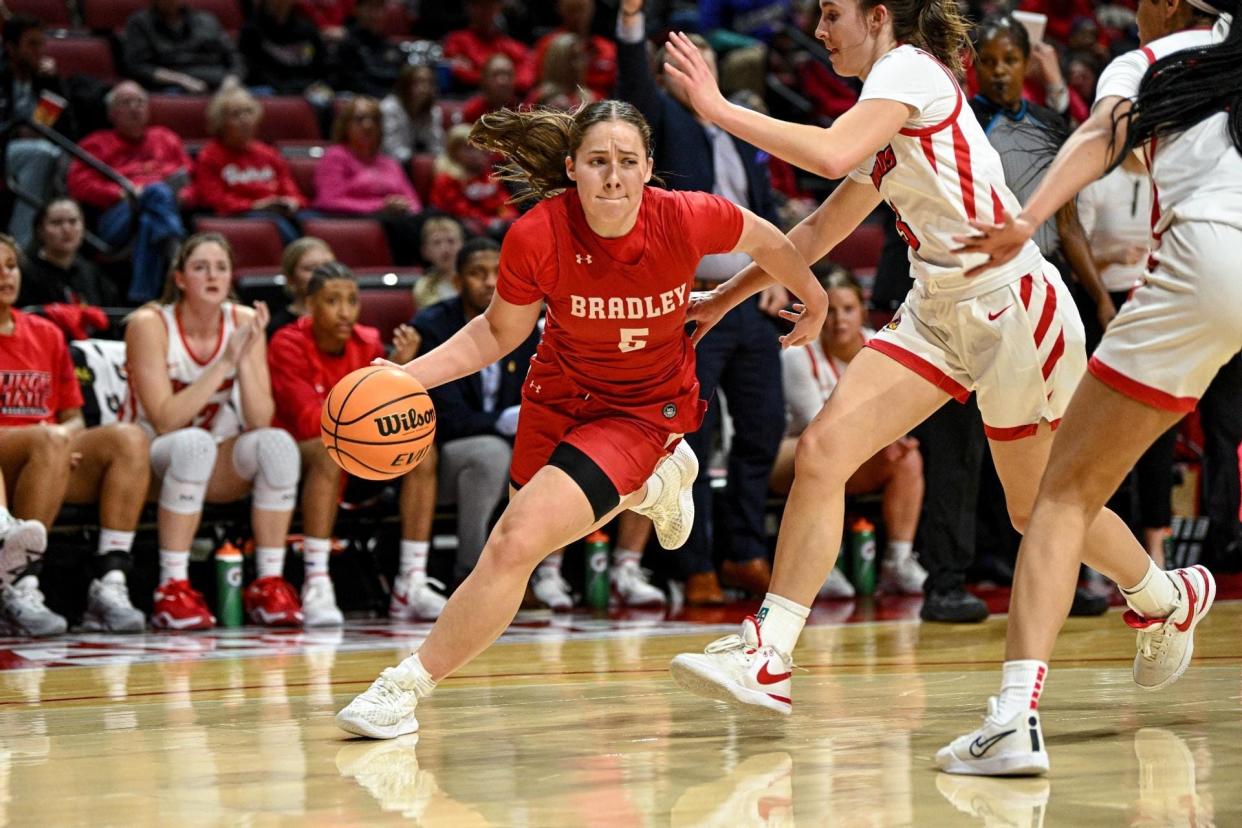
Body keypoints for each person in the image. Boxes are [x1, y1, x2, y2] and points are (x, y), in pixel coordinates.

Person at [661, 0, 1154, 721]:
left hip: (1012, 302)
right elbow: (823, 224)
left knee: (1035, 509)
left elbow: (826, 155)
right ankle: (769, 653)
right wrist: (725, 297)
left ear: (879, 16)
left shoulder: (910, 72)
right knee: (826, 450)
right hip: (938, 305)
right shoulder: (882, 104)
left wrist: (715, 107)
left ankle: (1164, 596)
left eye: (833, 14)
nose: (821, 31)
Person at [335, 99, 826, 739]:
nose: (613, 176)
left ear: (650, 169)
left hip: (642, 410)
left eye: (627, 162)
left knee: (513, 541)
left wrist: (810, 298)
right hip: (559, 391)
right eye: (598, 162)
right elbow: (494, 334)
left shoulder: (686, 216)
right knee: (528, 546)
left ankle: (400, 689)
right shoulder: (537, 234)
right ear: (572, 168)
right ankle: (654, 486)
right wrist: (406, 378)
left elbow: (770, 239)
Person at [939, 0, 1237, 775]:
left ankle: (1011, 720)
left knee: (1056, 495)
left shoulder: (1148, 61)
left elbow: (1100, 134)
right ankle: (1164, 596)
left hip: (1209, 259)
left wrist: (1026, 214)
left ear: (1172, 4)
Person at [617, 2, 788, 606]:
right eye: (682, 63)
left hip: (751, 297)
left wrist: (779, 275)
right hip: (691, 303)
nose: (695, 71)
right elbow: (633, 89)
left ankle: (744, 550)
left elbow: (765, 213)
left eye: (704, 61)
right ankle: (694, 564)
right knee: (695, 436)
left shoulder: (741, 132)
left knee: (764, 428)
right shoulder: (661, 121)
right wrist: (633, 25)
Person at [125, 233, 305, 629]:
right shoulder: (149, 323)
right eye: (200, 267)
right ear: (180, 279)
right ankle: (171, 587)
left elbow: (260, 419)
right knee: (192, 443)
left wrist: (243, 357)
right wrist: (224, 362)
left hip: (205, 459)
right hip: (143, 462)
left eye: (221, 268)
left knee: (278, 445)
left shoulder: (242, 321)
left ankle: (268, 582)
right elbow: (166, 420)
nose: (213, 275)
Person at [0, 233, 151, 634]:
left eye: (11, 266)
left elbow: (74, 419)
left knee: (129, 439)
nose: (5, 275)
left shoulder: (46, 334)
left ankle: (110, 579)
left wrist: (57, 441)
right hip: (7, 460)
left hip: (50, 457)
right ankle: (19, 586)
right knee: (49, 439)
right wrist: (46, 439)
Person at [268, 260, 429, 625]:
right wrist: (369, 399)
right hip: (299, 450)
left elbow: (383, 410)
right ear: (310, 305)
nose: (345, 312)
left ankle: (411, 581)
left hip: (355, 445)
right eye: (332, 301)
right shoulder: (286, 343)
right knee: (329, 451)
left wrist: (398, 370)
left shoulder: (368, 340)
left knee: (423, 452)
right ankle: (317, 580)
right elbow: (310, 420)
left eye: (352, 301)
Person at [773, 266, 925, 596]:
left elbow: (903, 414)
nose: (839, 320)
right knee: (827, 452)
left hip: (859, 449)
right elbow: (816, 424)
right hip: (794, 450)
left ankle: (898, 561)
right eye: (831, 311)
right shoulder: (798, 353)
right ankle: (817, 566)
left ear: (863, 312)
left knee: (908, 456)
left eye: (848, 310)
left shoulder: (883, 346)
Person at [410, 238, 540, 589]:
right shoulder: (433, 327)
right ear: (457, 281)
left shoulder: (525, 322)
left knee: (557, 449)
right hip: (444, 455)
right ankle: (473, 576)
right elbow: (446, 417)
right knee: (490, 453)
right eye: (476, 273)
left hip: (504, 447)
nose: (488, 282)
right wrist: (501, 421)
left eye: (497, 272)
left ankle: (544, 573)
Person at [1077, 152, 1176, 565]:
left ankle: (1156, 548)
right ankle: (1106, 551)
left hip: (1158, 308)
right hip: (1104, 307)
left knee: (1158, 430)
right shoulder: (1097, 181)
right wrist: (1110, 262)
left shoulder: (1172, 178)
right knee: (1104, 431)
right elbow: (1071, 250)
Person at [68, 81, 189, 303]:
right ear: (111, 113)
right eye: (126, 103)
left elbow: (191, 181)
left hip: (161, 211)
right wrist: (119, 193)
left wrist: (180, 197)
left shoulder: (166, 138)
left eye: (140, 102)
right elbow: (79, 184)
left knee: (150, 218)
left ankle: (142, 296)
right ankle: (177, 256)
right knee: (157, 193)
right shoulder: (96, 143)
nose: (135, 108)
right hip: (117, 217)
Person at [312, 96, 425, 267]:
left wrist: (402, 205)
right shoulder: (336, 156)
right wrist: (381, 206)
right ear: (345, 125)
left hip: (399, 220)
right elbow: (327, 200)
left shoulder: (389, 162)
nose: (367, 125)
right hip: (359, 220)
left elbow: (414, 202)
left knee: (436, 219)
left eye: (374, 119)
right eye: (359, 119)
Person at [194, 84, 308, 245]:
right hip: (240, 217)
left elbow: (292, 191)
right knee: (274, 225)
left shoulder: (268, 153)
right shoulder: (209, 155)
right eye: (235, 114)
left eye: (248, 112)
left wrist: (291, 202)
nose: (244, 119)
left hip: (276, 212)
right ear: (220, 122)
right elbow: (215, 200)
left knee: (309, 221)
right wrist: (255, 206)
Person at [0, 15, 76, 249]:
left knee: (60, 158)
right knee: (42, 154)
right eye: (32, 45)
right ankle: (20, 243)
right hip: (5, 150)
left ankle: (59, 240)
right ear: (11, 48)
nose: (40, 51)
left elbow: (69, 130)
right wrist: (14, 133)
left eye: (42, 44)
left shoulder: (44, 80)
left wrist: (53, 85)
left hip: (39, 152)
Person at [122, 0, 245, 94]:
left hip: (220, 83)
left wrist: (232, 80)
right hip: (172, 86)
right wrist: (181, 80)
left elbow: (234, 57)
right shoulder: (139, 23)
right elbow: (138, 67)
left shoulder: (207, 20)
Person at [18, 198, 119, 309]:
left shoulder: (93, 273)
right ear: (40, 230)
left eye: (73, 221)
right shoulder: (25, 273)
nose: (66, 229)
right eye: (56, 223)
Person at [428, 124, 517, 238]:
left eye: (478, 147)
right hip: (460, 226)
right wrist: (488, 221)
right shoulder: (447, 178)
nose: (476, 153)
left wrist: (508, 217)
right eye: (469, 149)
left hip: (492, 225)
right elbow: (461, 210)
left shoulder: (486, 173)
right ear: (454, 152)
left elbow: (502, 200)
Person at [240, 0, 331, 96]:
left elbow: (322, 65)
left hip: (309, 89)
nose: (280, 3)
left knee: (327, 97)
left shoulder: (307, 29)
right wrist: (284, 88)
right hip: (270, 90)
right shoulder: (251, 31)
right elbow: (253, 71)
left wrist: (312, 85)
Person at [443, 0, 536, 94]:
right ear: (469, 8)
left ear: (499, 8)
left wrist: (476, 72)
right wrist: (503, 79)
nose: (484, 11)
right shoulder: (456, 41)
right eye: (478, 5)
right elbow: (458, 72)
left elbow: (526, 79)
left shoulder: (512, 46)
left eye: (490, 6)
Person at [533, 0, 617, 99]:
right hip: (557, 99)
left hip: (599, 102)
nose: (578, 16)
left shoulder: (607, 48)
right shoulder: (547, 45)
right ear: (560, 9)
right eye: (572, 9)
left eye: (582, 9)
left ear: (592, 9)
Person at [336, 0, 405, 99]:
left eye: (379, 8)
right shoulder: (347, 44)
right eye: (370, 8)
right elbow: (354, 84)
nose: (374, 15)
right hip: (364, 102)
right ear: (357, 11)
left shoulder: (391, 46)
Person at [267, 236, 335, 337]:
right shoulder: (279, 327)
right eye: (310, 268)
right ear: (290, 277)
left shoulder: (344, 319)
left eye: (328, 267)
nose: (322, 274)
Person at [381, 65, 446, 163]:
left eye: (429, 82)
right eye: (419, 82)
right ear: (406, 84)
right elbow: (391, 149)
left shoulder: (433, 111)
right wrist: (419, 161)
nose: (425, 87)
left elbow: (436, 146)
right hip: (390, 162)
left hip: (416, 162)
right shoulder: (390, 108)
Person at [526, 33, 597, 112]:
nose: (578, 64)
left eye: (580, 57)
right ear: (557, 62)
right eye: (571, 58)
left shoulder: (588, 97)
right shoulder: (540, 97)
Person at [412, 216, 463, 310]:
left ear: (462, 245)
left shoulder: (474, 281)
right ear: (425, 251)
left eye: (451, 241)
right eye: (437, 243)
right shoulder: (423, 287)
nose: (445, 249)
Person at [459, 54, 520, 125]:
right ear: (484, 79)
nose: (503, 80)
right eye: (496, 74)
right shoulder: (472, 111)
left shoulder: (523, 110)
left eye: (508, 74)